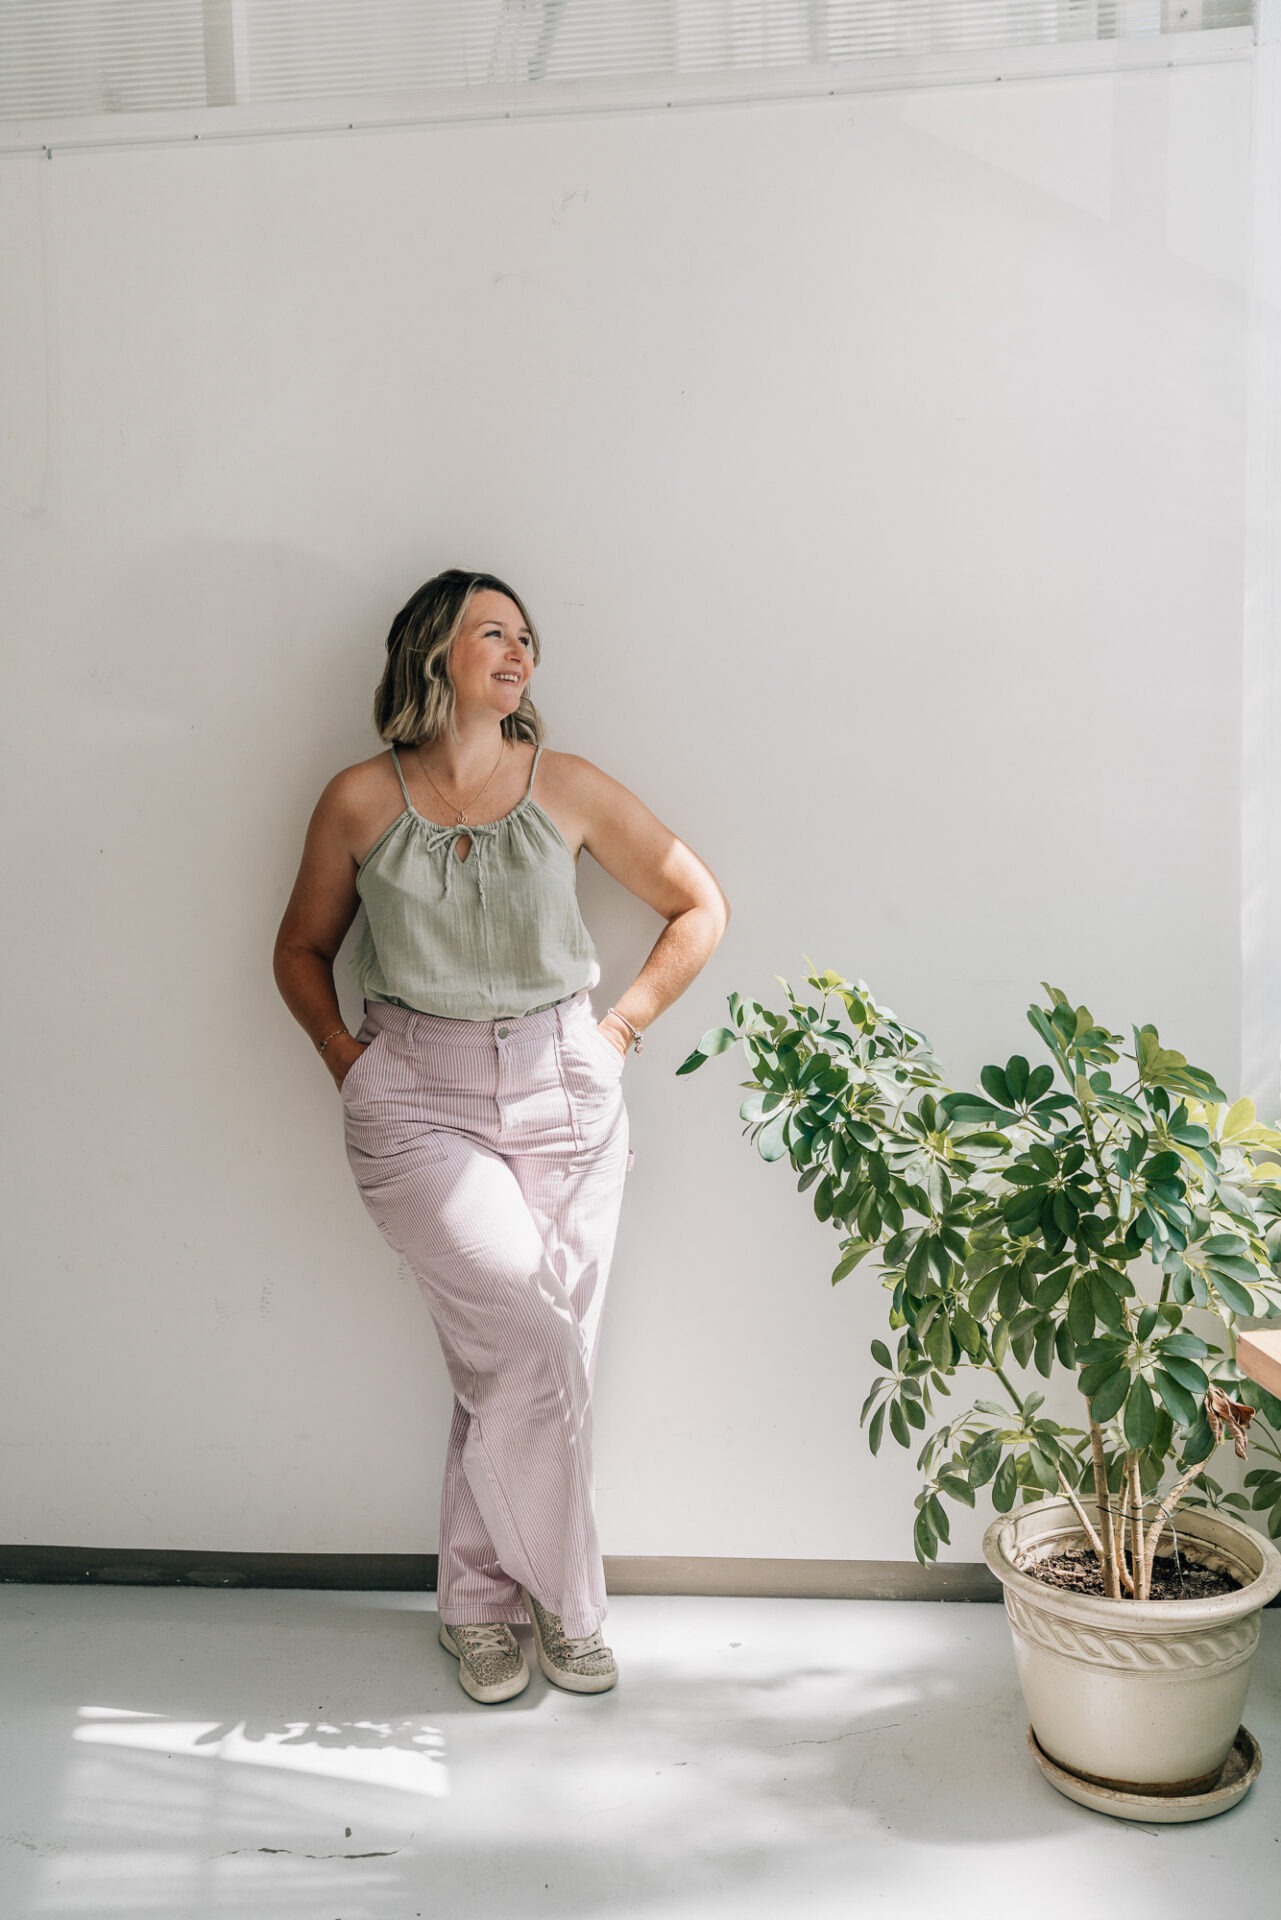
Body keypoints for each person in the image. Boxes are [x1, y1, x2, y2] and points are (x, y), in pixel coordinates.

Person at [272, 568, 730, 1705]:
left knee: (524, 1364)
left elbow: (699, 903)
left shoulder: (565, 787)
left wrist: (617, 1030)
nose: (520, 652)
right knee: (529, 1343)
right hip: (415, 1095)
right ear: (435, 652)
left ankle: (475, 1606)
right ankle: (569, 1608)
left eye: (528, 636)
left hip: (565, 1089)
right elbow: (297, 949)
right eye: (494, 634)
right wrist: (347, 1060)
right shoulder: (357, 801)